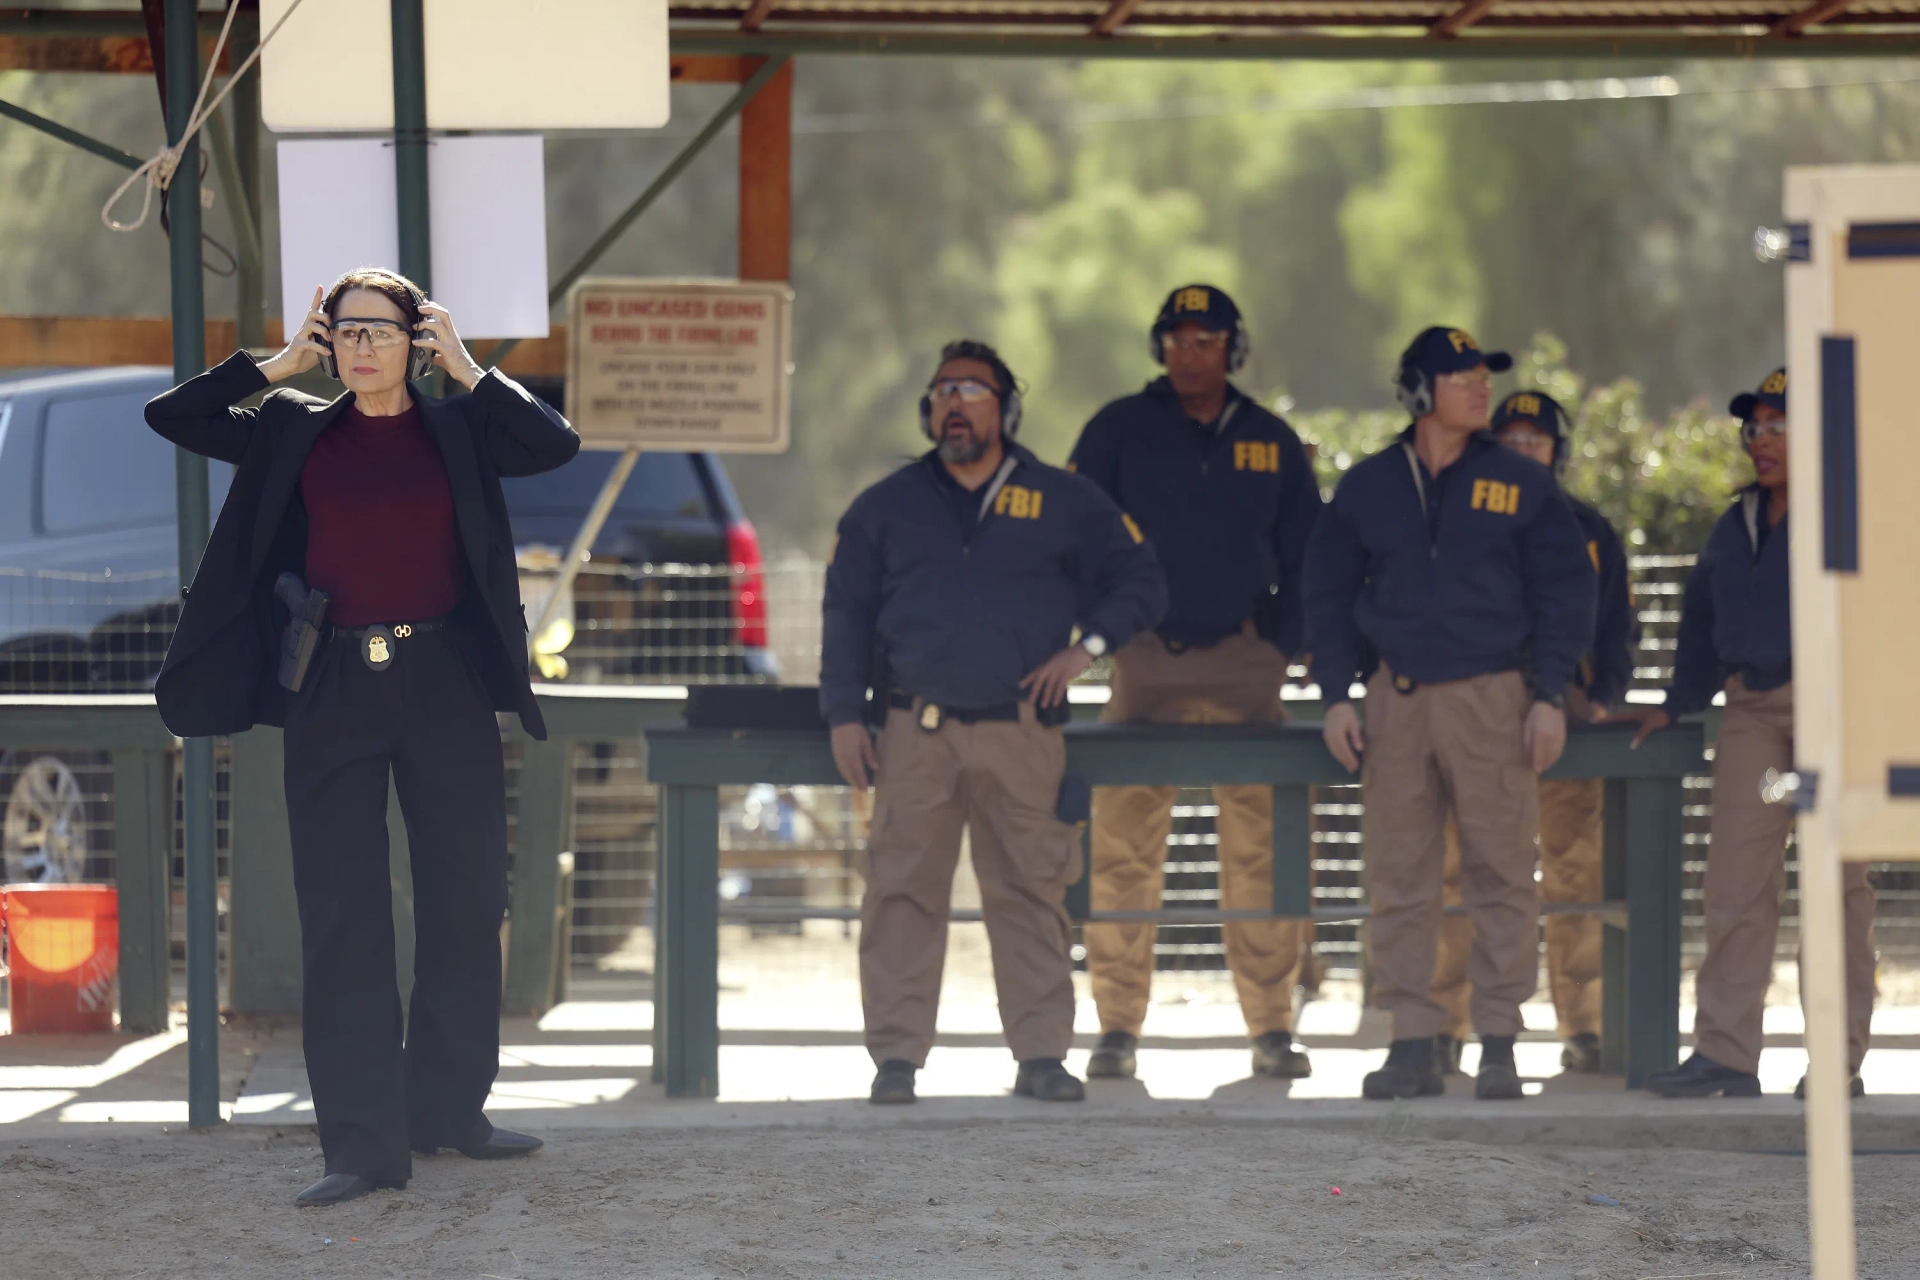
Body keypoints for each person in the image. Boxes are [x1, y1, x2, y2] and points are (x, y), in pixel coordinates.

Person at [146, 268, 580, 1205]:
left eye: (382, 330)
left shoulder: (459, 427)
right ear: (329, 342)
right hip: (332, 683)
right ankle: (361, 1146)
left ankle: (450, 1115)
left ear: (415, 339)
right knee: (345, 915)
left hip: (446, 685)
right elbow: (171, 418)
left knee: (470, 900)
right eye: (346, 332)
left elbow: (557, 443)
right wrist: (274, 365)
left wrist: (469, 368)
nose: (363, 346)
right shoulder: (292, 427)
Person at [821, 340, 1166, 1106]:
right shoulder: (886, 505)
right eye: (943, 390)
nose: (955, 403)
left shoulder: (1064, 499)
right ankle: (897, 1060)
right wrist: (845, 714)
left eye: (973, 390)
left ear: (1006, 410)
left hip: (1022, 732)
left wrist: (1088, 652)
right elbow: (845, 616)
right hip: (914, 731)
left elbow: (1141, 579)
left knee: (1031, 893)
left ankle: (1042, 1056)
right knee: (901, 894)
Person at [1303, 326, 1595, 1102]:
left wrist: (1549, 695)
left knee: (1502, 871)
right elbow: (1325, 595)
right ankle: (1411, 1040)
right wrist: (1336, 694)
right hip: (1393, 703)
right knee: (1401, 877)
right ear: (1418, 392)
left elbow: (1566, 594)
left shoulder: (1523, 485)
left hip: (1495, 699)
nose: (1479, 385)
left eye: (1482, 374)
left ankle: (1497, 1040)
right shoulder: (1367, 486)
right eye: (1462, 375)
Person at [1066, 285, 1322, 1082]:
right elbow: (1074, 536)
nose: (1190, 353)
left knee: (1267, 851)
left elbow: (1312, 554)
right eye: (1176, 339)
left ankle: (1273, 1027)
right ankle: (1115, 1029)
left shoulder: (1271, 441)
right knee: (1121, 851)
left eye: (1207, 339)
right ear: (1159, 348)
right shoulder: (1116, 431)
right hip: (1145, 664)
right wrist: (1106, 631)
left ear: (1232, 349)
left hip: (1249, 667)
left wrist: (1284, 645)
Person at [1637, 369, 1877, 1100]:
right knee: (1736, 881)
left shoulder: (1851, 511)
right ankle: (1727, 1055)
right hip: (1754, 722)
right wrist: (1675, 703)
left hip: (1832, 717)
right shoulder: (1734, 521)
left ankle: (1835, 1064)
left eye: (1778, 425)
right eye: (1754, 427)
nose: (1760, 440)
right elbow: (1703, 625)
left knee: (1836, 884)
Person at [1429, 389, 1637, 1076]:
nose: (1523, 452)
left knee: (1575, 870)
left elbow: (1616, 626)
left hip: (1564, 718)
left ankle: (1582, 1026)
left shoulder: (1587, 528)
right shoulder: (1457, 517)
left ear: (1557, 452)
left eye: (1535, 442)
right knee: (1461, 870)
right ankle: (1448, 1028)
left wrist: (1604, 694)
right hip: (1477, 715)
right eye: (1509, 441)